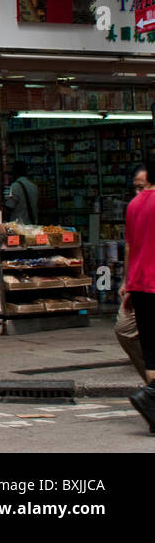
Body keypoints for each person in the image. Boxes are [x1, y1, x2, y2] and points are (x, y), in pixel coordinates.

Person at [123, 172, 155, 432]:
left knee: (151, 353)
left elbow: (131, 246)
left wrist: (129, 283)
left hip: (142, 284)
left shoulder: (134, 204)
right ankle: (149, 398)